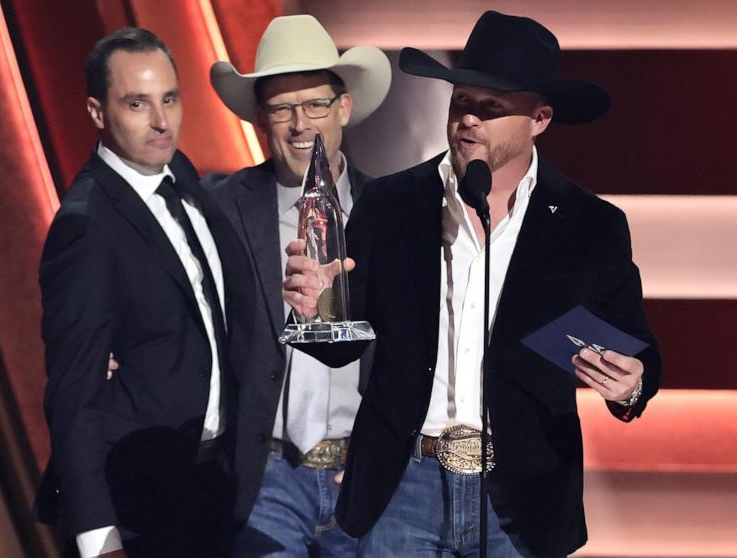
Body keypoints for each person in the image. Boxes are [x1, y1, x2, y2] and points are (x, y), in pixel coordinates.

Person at [282, 11, 661, 557]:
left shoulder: (588, 225)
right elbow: (345, 346)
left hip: (521, 497)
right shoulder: (391, 205)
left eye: (491, 109)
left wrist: (631, 385)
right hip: (402, 487)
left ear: (540, 119)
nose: (468, 121)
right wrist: (317, 313)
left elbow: (637, 346)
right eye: (461, 102)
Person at [33, 27, 254, 558]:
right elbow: (73, 394)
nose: (161, 122)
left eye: (169, 99)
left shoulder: (179, 172)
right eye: (137, 103)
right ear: (96, 112)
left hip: (214, 483)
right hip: (140, 505)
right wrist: (98, 538)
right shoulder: (86, 226)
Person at [205, 14, 391, 556]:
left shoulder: (393, 213)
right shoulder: (221, 209)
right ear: (262, 119)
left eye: (314, 105)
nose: (299, 124)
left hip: (364, 476)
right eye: (283, 108)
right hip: (266, 475)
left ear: (344, 109)